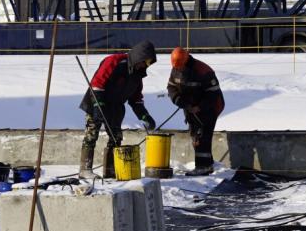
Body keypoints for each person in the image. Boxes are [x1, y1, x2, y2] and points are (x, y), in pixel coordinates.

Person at [79, 41, 157, 180]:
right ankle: (85, 169)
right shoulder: (115, 61)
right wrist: (98, 106)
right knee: (91, 134)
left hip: (115, 107)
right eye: (144, 62)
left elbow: (136, 99)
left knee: (116, 137)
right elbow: (97, 84)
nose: (145, 66)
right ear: (139, 57)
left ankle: (110, 170)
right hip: (97, 101)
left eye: (148, 64)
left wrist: (145, 116)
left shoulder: (137, 76)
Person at [167, 47, 225, 176]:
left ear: (186, 61)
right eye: (177, 67)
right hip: (190, 106)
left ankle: (203, 167)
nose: (179, 69)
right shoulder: (175, 69)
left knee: (202, 135)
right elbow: (171, 87)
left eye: (181, 67)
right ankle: (208, 163)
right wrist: (179, 100)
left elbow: (213, 93)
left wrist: (200, 107)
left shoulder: (203, 70)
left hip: (210, 106)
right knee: (195, 134)